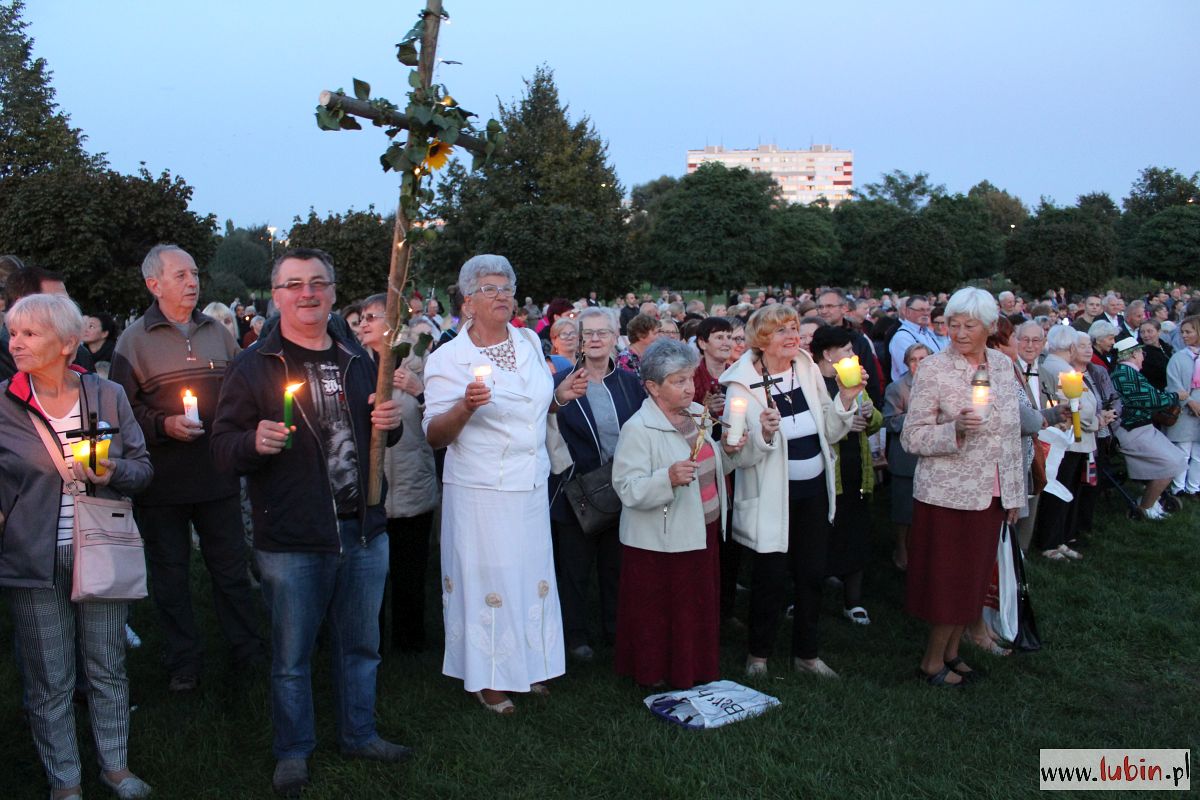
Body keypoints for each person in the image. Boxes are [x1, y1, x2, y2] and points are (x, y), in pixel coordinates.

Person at [211, 247, 411, 795]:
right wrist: (252, 441)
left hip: (364, 526)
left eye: (318, 283)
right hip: (294, 535)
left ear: (331, 292)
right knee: (292, 655)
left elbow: (377, 431)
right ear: (276, 296)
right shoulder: (256, 365)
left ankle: (360, 732)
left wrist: (388, 424)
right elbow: (223, 449)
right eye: (294, 283)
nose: (308, 293)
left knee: (361, 644)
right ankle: (293, 751)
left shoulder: (358, 357)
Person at [1, 293, 154, 800]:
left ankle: (115, 767)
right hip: (32, 557)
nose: (15, 343)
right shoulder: (4, 403)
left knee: (107, 664)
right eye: (13, 332)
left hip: (102, 547)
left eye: (29, 334)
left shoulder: (107, 395)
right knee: (50, 678)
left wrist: (115, 471)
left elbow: (143, 467)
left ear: (68, 344)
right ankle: (64, 782)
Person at [423, 255, 588, 715]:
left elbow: (531, 406)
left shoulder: (529, 341)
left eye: (506, 288)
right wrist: (465, 407)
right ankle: (489, 677)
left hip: (531, 481)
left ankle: (530, 662)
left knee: (529, 575)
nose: (501, 296)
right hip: (480, 489)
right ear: (468, 301)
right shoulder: (450, 358)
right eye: (490, 289)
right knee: (488, 579)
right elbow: (434, 434)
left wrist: (558, 397)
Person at [109, 244, 264, 694]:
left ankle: (247, 652)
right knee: (171, 576)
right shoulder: (132, 342)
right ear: (154, 284)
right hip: (162, 483)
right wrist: (162, 424)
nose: (192, 282)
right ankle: (184, 662)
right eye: (181, 275)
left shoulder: (219, 333)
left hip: (217, 477)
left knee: (231, 571)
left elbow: (243, 391)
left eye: (195, 273)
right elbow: (123, 412)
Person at [719, 305, 859, 679]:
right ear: (762, 339)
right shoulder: (740, 384)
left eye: (795, 327)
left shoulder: (806, 368)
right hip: (771, 496)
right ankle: (759, 656)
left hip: (812, 491)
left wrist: (846, 398)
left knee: (812, 574)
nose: (792, 335)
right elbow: (734, 456)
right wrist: (763, 434)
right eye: (782, 330)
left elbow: (830, 430)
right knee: (770, 577)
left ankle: (807, 656)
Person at [901, 288, 1024, 687]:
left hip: (991, 492)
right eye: (952, 324)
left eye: (969, 325)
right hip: (948, 494)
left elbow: (1011, 434)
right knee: (949, 583)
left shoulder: (1003, 366)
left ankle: (953, 653)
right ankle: (931, 663)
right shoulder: (934, 369)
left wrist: (1013, 494)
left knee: (972, 579)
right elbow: (912, 437)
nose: (959, 332)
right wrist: (952, 429)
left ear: (990, 327)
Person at [611, 338, 742, 688]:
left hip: (702, 529)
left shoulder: (698, 414)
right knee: (663, 611)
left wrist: (729, 451)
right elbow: (626, 488)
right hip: (662, 541)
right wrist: (666, 478)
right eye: (678, 381)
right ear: (653, 387)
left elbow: (710, 466)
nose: (688, 387)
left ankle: (695, 668)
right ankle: (656, 673)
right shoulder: (638, 429)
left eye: (689, 377)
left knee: (695, 609)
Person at [549, 307, 645, 662]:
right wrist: (558, 399)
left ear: (615, 337)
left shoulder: (630, 383)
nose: (593, 339)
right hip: (576, 491)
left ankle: (615, 630)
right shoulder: (563, 382)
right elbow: (546, 424)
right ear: (576, 339)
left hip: (620, 489)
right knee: (574, 570)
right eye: (586, 333)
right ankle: (575, 636)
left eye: (601, 333)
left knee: (616, 566)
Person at [357, 296, 439, 653]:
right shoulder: (354, 367)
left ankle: (410, 642)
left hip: (410, 480)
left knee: (409, 569)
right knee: (369, 574)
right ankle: (369, 640)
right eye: (360, 318)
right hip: (369, 490)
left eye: (371, 317)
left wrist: (420, 391)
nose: (362, 324)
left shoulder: (419, 363)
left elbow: (443, 416)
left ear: (393, 323)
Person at [811, 325, 882, 625]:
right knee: (817, 537)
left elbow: (875, 417)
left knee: (855, 531)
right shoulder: (812, 384)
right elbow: (814, 428)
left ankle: (853, 601)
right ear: (828, 354)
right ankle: (805, 597)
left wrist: (867, 418)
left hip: (855, 469)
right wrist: (842, 426)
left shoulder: (853, 381)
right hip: (826, 472)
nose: (854, 355)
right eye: (848, 351)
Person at [1035, 325, 1108, 560]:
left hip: (1078, 439)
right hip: (1069, 440)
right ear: (1072, 347)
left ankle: (1061, 538)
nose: (1086, 350)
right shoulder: (1061, 370)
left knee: (1069, 492)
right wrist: (1096, 420)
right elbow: (1074, 406)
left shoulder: (1065, 368)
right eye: (1082, 345)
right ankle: (1052, 541)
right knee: (1060, 491)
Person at [1110, 338, 1188, 520]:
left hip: (1142, 428)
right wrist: (1176, 396)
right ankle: (1146, 506)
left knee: (1176, 459)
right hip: (1132, 430)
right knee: (1171, 464)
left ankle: (1152, 500)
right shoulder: (1124, 374)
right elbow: (1151, 400)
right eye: (1141, 353)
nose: (1143, 357)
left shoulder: (1127, 373)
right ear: (1133, 354)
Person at [883, 343, 930, 571]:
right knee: (904, 508)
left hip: (931, 454)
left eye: (923, 358)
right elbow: (889, 421)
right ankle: (901, 548)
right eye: (914, 360)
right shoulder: (898, 388)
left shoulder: (938, 384)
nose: (919, 364)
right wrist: (915, 418)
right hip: (906, 457)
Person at [815, 288, 882, 404]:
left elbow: (872, 380)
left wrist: (869, 412)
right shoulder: (810, 338)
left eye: (829, 306)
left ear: (844, 308)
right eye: (820, 307)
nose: (824, 311)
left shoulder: (858, 340)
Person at [1165, 315, 1200, 497]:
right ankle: (1178, 487)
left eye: (1189, 332)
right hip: (1185, 412)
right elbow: (1174, 383)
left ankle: (1194, 486)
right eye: (1182, 332)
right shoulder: (1179, 358)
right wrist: (1188, 401)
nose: (1184, 335)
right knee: (1183, 450)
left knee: (1198, 454)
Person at [888, 295, 943, 381]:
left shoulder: (928, 333)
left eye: (928, 310)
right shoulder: (902, 337)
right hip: (912, 391)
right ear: (908, 312)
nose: (926, 313)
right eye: (921, 310)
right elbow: (909, 371)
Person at [615, 313, 659, 378]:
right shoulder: (625, 359)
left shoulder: (651, 354)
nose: (658, 337)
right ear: (641, 335)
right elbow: (628, 386)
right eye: (655, 333)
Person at [1137, 319, 1173, 392]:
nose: (1146, 335)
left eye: (1149, 331)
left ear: (1159, 332)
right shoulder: (1140, 353)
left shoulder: (1167, 347)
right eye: (1142, 332)